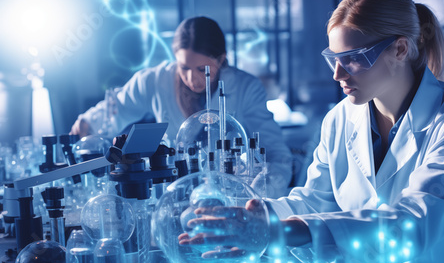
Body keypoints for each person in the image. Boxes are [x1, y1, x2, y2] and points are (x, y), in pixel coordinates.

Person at [181, 0, 444, 263]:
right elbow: (315, 200)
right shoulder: (340, 119)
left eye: (353, 59)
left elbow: (413, 223)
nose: (337, 74)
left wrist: (275, 233)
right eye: (333, 58)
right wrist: (255, 215)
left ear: (400, 49)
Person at [70, 16, 293, 197]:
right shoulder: (156, 80)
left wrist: (257, 196)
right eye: (184, 66)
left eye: (202, 69)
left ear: (221, 59)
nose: (192, 78)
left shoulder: (246, 87)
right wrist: (87, 124)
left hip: (231, 198)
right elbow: (118, 105)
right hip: (177, 195)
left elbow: (277, 155)